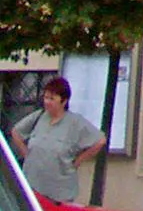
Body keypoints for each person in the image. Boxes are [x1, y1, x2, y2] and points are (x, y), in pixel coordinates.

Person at [10, 75, 106, 204]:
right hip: (33, 187)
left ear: (64, 101)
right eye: (45, 97)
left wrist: (78, 161)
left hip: (60, 193)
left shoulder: (75, 122)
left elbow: (100, 141)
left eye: (52, 99)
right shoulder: (38, 116)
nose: (47, 102)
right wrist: (27, 155)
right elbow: (16, 132)